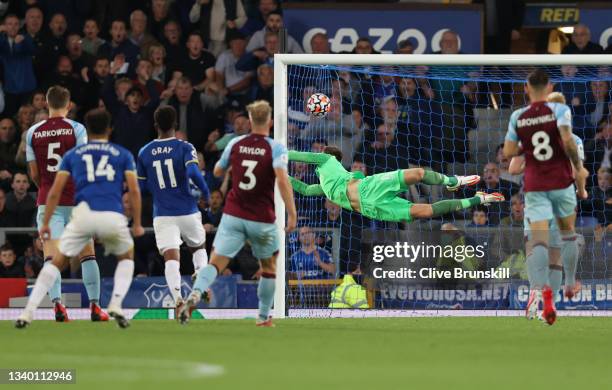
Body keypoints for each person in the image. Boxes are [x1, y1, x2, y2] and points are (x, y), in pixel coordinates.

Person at [16, 108, 145, 329]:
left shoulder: (73, 155)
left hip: (81, 213)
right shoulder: (122, 153)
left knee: (54, 261)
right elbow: (134, 190)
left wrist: (46, 222)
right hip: (108, 212)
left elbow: (54, 191)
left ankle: (29, 311)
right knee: (121, 258)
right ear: (110, 129)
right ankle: (108, 304)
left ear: (87, 127)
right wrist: (138, 222)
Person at [178, 100, 297, 327]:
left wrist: (233, 166)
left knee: (215, 263)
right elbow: (282, 180)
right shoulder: (276, 148)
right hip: (262, 218)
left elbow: (217, 170)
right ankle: (263, 317)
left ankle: (195, 294)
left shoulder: (235, 143)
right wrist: (291, 214)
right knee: (269, 268)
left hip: (233, 215)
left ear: (250, 121)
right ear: (270, 122)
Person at [503, 70, 588, 325]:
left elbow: (512, 166)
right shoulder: (573, 137)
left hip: (537, 189)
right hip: (562, 189)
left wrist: (527, 149)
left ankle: (536, 293)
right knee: (560, 248)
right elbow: (577, 168)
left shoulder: (521, 117)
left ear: (528, 88)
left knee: (535, 244)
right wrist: (582, 188)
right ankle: (560, 294)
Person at [25, 86, 108, 322]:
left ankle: (58, 306)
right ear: (68, 105)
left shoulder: (32, 132)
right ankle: (94, 307)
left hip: (47, 201)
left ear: (46, 104)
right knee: (87, 254)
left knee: (52, 257)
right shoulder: (77, 129)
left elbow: (33, 173)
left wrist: (46, 186)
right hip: (75, 200)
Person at [289, 147, 503, 224]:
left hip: (368, 189)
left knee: (418, 173)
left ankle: (452, 181)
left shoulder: (327, 161)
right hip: (372, 209)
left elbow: (295, 155)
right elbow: (305, 189)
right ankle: (479, 198)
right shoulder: (325, 186)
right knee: (426, 211)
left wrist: (274, 155)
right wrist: (278, 175)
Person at [137, 106, 211, 312]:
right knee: (199, 246)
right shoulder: (185, 147)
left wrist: (156, 188)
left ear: (155, 125)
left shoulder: (144, 152)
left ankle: (177, 298)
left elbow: (141, 188)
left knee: (171, 256)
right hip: (187, 209)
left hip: (162, 213)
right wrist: (206, 195)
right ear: (175, 124)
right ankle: (200, 275)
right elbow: (195, 174)